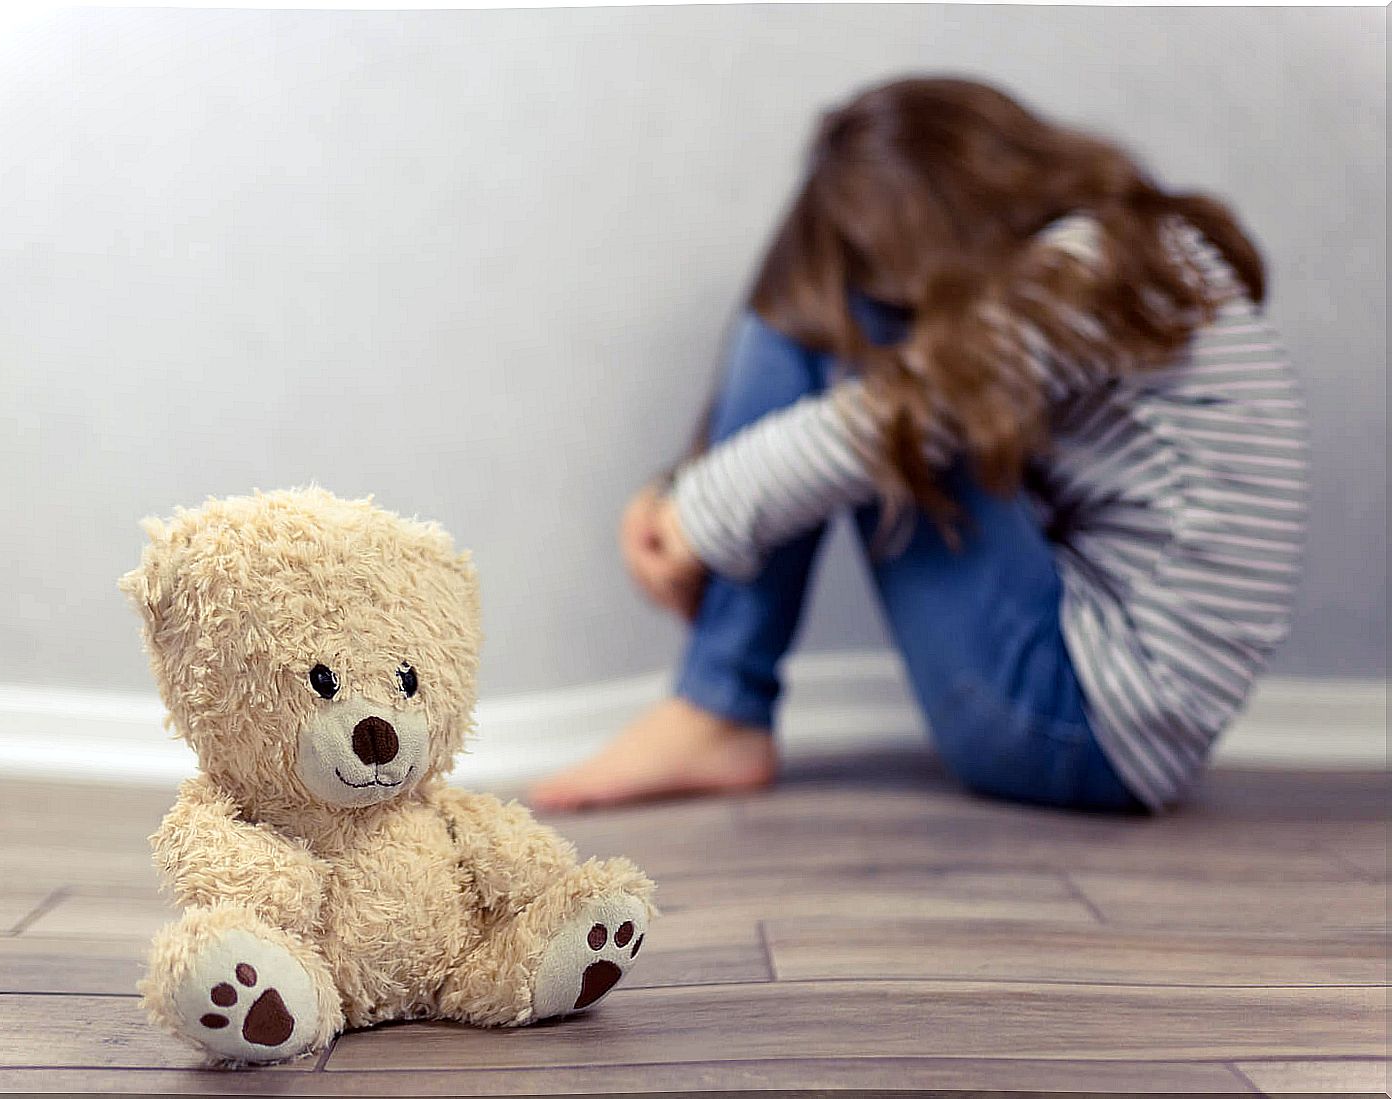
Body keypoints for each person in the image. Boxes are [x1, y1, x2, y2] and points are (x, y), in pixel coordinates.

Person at [530, 77, 1306, 815]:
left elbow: (878, 427)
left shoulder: (1081, 274)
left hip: (1074, 727)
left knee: (825, 319)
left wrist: (686, 514)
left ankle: (716, 704)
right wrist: (688, 492)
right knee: (848, 335)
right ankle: (716, 702)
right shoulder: (1130, 250)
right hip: (1128, 732)